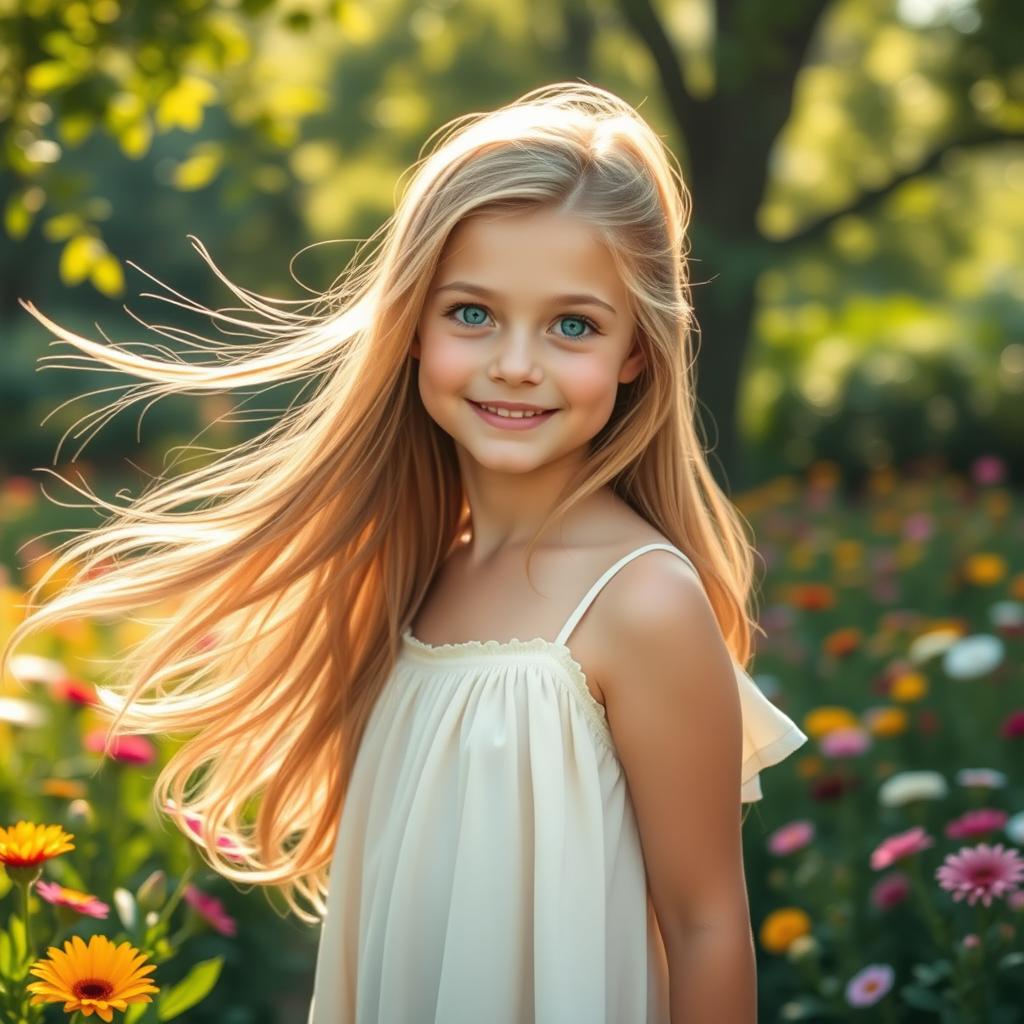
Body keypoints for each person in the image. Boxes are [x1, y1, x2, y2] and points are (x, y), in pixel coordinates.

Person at [5, 82, 808, 1023]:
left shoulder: (640, 603)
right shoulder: (416, 575)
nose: (516, 361)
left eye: (574, 325)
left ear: (639, 351)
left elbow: (706, 925)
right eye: (472, 313)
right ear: (413, 325)